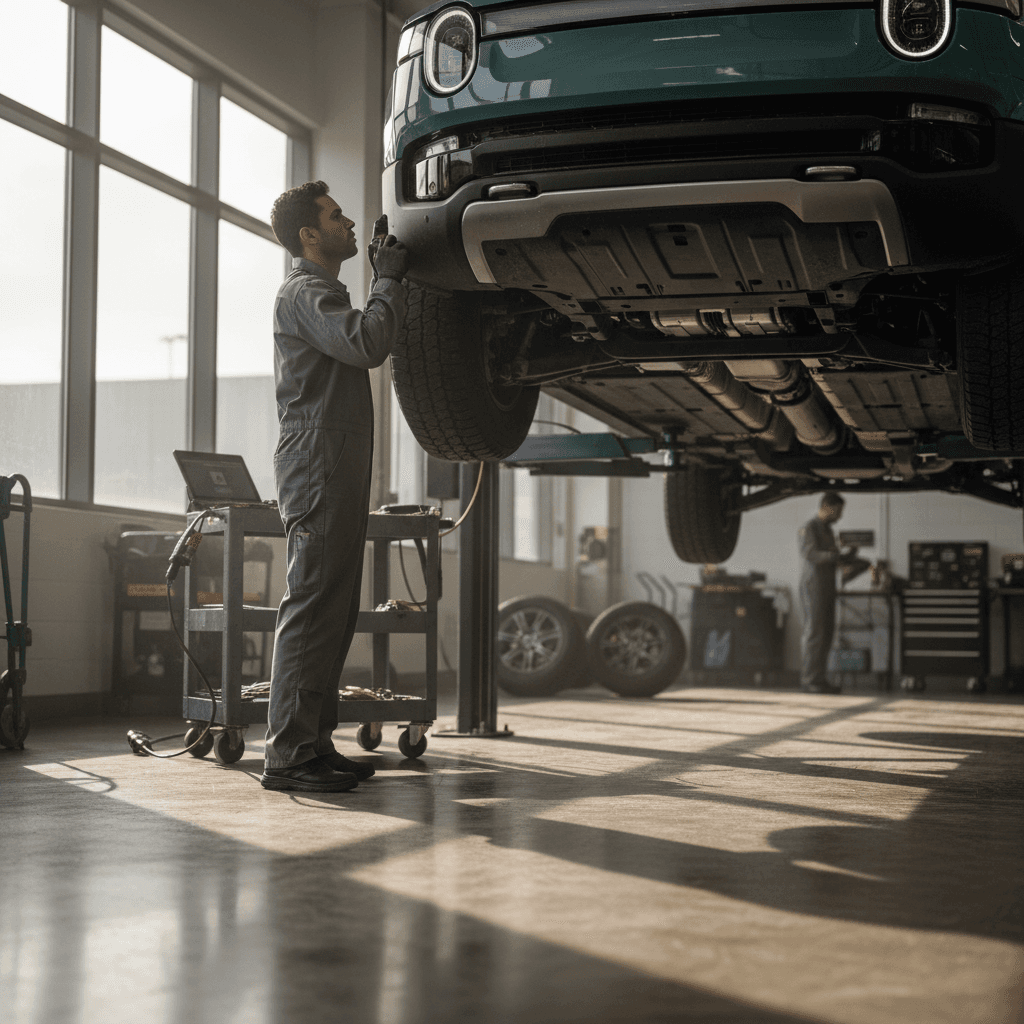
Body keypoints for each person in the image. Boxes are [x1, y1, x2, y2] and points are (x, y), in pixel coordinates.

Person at [260, 180, 409, 793]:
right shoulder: (305, 292)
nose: (348, 224)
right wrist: (388, 280)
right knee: (314, 603)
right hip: (318, 460)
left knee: (335, 609)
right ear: (309, 235)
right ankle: (288, 756)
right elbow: (367, 343)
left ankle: (314, 744)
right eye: (336, 216)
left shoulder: (324, 293)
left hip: (334, 459)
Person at [798, 491, 845, 694]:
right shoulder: (809, 527)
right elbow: (809, 553)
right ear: (827, 507)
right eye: (838, 511)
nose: (840, 516)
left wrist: (844, 556)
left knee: (826, 633)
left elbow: (829, 556)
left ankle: (820, 678)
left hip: (828, 586)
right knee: (814, 633)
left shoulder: (828, 530)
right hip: (814, 587)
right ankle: (809, 680)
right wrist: (832, 556)